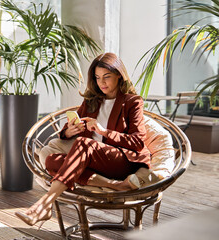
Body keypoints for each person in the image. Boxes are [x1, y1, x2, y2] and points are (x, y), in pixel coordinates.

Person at [15, 52, 151, 228]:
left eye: (107, 77)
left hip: (121, 160)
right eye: (97, 77)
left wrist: (105, 132)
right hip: (93, 161)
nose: (101, 82)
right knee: (51, 161)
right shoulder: (91, 101)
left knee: (82, 144)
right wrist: (69, 131)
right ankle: (116, 185)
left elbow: (138, 142)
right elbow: (66, 129)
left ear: (119, 75)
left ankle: (44, 205)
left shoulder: (132, 102)